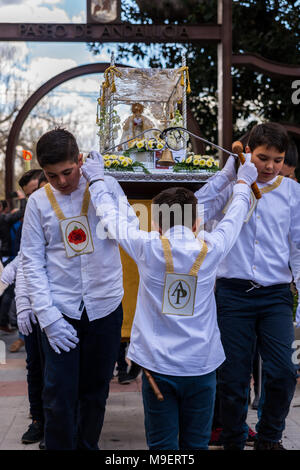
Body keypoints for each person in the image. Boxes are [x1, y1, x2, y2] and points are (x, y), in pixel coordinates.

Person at [81, 150, 258, 450]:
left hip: (157, 366)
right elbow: (236, 215)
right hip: (202, 366)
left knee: (163, 448)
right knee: (197, 445)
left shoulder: (147, 245)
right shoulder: (212, 246)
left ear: (158, 224)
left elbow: (111, 219)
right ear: (196, 223)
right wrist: (240, 182)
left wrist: (98, 180)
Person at [196, 122, 300, 450]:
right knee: (232, 378)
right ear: (248, 154)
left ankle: (269, 438)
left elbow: (298, 246)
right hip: (232, 293)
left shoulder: (293, 192)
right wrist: (230, 174)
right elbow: (194, 210)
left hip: (276, 296)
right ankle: (233, 439)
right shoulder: (230, 186)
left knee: (283, 371)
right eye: (263, 157)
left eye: (278, 159)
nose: (270, 166)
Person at [20, 128, 126, 450]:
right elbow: (32, 261)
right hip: (61, 309)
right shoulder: (38, 202)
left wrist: (97, 185)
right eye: (52, 176)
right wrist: (47, 317)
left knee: (95, 393)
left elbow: (124, 231)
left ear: (79, 160)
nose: (62, 181)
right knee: (57, 395)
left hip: (104, 305)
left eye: (67, 172)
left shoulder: (104, 187)